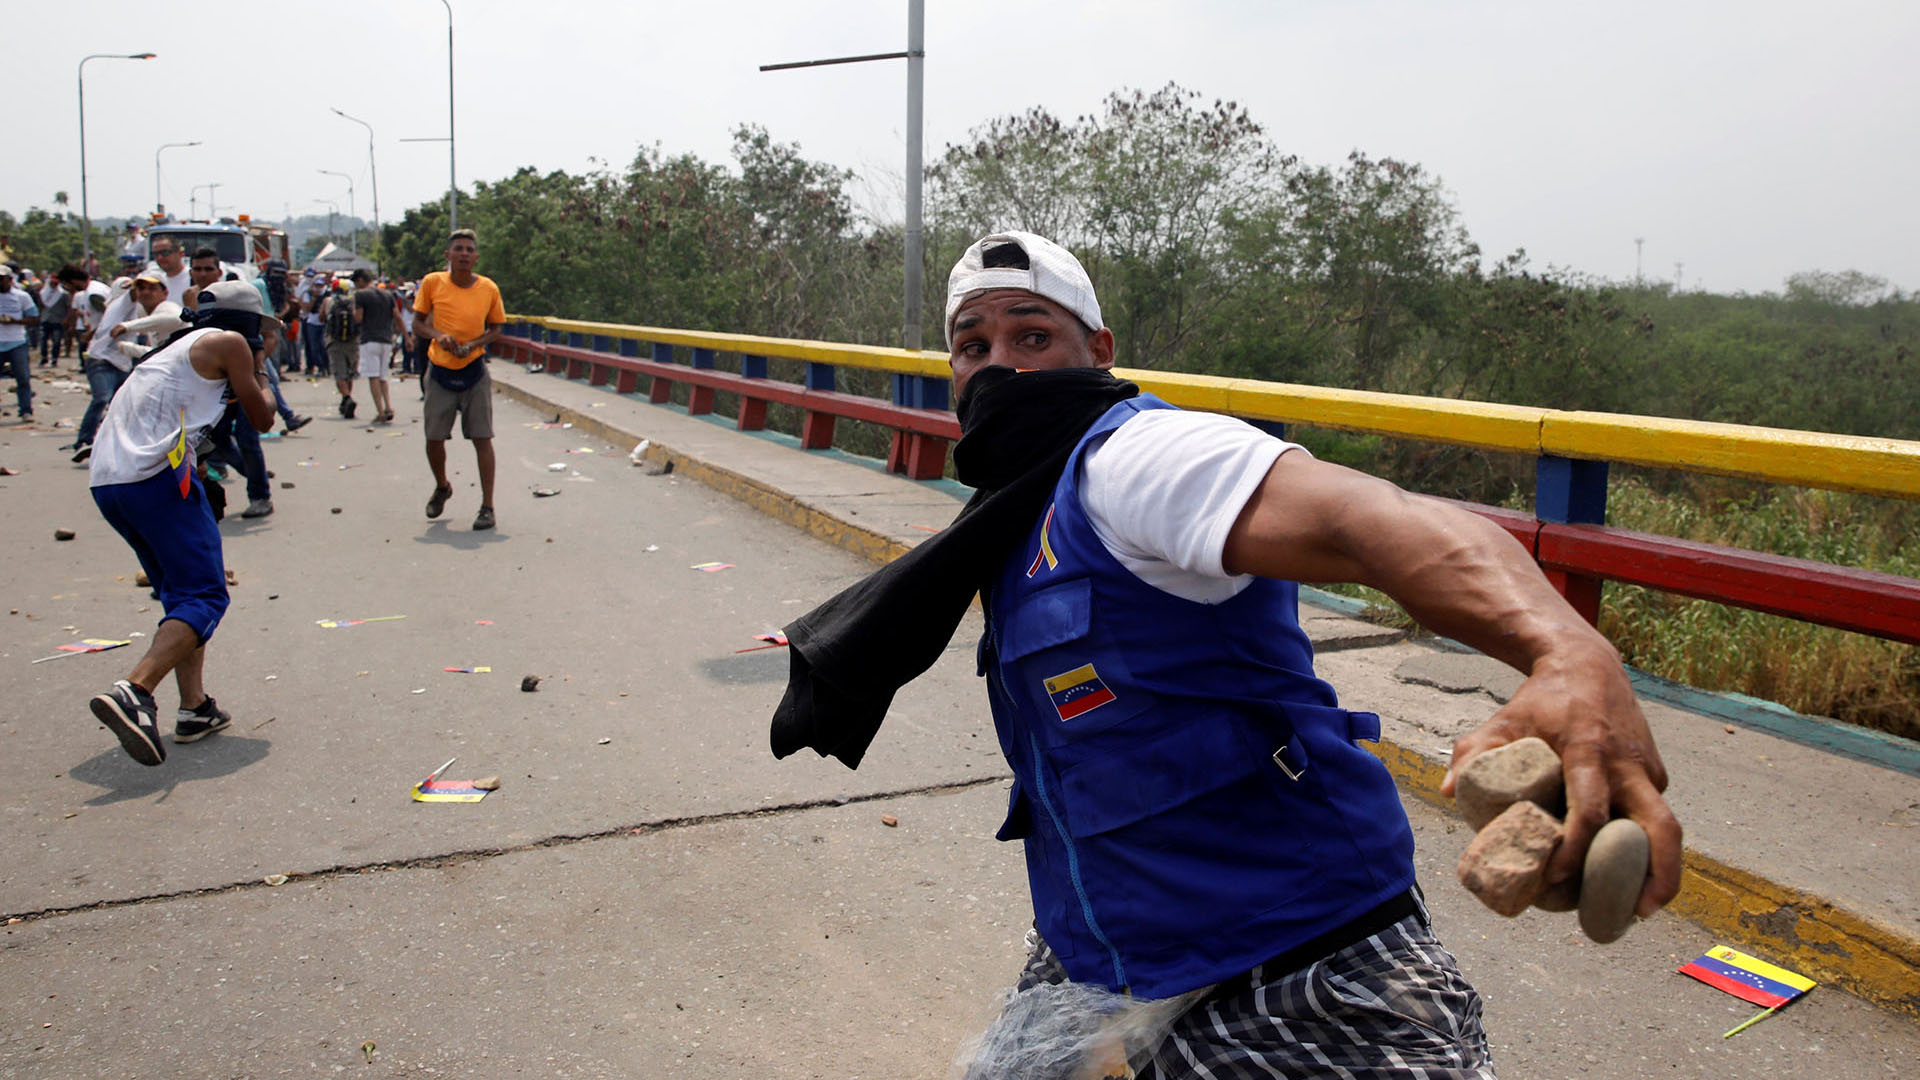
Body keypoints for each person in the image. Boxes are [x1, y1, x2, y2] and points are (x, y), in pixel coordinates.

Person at [772, 232, 1683, 1079]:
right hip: (1106, 946)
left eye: (1033, 335)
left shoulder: (1141, 459)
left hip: (1299, 963)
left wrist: (1567, 652)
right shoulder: (1017, 512)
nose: (1002, 364)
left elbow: (1373, 520)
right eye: (974, 345)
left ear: (1099, 352)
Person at [85, 280, 277, 766]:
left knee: (181, 596)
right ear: (249, 325)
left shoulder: (178, 349)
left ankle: (194, 708)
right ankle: (134, 691)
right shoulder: (231, 345)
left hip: (111, 481)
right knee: (206, 596)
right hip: (155, 479)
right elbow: (264, 419)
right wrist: (260, 369)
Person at [413, 229, 505, 530]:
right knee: (433, 438)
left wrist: (475, 343)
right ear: (448, 256)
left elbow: (496, 328)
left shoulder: (488, 288)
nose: (464, 253)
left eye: (469, 249)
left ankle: (488, 506)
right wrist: (440, 336)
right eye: (458, 249)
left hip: (474, 369)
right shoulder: (432, 283)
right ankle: (442, 486)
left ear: (476, 257)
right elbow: (418, 323)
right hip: (440, 368)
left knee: (482, 438)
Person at [68, 271, 176, 462]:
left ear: (164, 292)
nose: (145, 293)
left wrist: (129, 343)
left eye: (151, 288)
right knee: (102, 398)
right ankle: (84, 441)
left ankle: (114, 443)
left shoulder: (151, 309)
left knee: (125, 406)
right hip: (102, 360)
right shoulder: (125, 302)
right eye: (141, 288)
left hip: (122, 363)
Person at [351, 269, 398, 423]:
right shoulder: (387, 294)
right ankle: (389, 406)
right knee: (383, 376)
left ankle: (380, 412)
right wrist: (408, 337)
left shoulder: (361, 295)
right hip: (386, 339)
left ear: (360, 280)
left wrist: (352, 313)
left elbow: (358, 318)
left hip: (369, 339)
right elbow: (396, 316)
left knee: (373, 377)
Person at [0, 265, 38, 421]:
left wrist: (15, 321)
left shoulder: (22, 296)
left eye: (1, 279)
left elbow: (34, 318)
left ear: (9, 280)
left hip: (17, 342)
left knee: (22, 378)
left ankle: (25, 410)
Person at [322, 279, 360, 417]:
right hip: (353, 341)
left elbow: (322, 317)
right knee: (349, 372)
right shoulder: (354, 301)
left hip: (334, 341)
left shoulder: (328, 301)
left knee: (339, 372)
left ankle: (346, 398)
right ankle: (347, 398)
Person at [37, 267, 72, 366]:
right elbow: (40, 306)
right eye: (52, 283)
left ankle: (54, 359)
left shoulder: (63, 294)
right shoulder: (43, 293)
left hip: (58, 320)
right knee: (43, 340)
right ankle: (44, 358)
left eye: (55, 283)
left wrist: (67, 319)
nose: (53, 285)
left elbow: (68, 307)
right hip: (45, 319)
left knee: (56, 341)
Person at [146, 238, 191, 307]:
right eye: (156, 254)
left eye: (165, 253)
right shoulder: (157, 281)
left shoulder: (193, 278)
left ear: (180, 253)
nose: (160, 258)